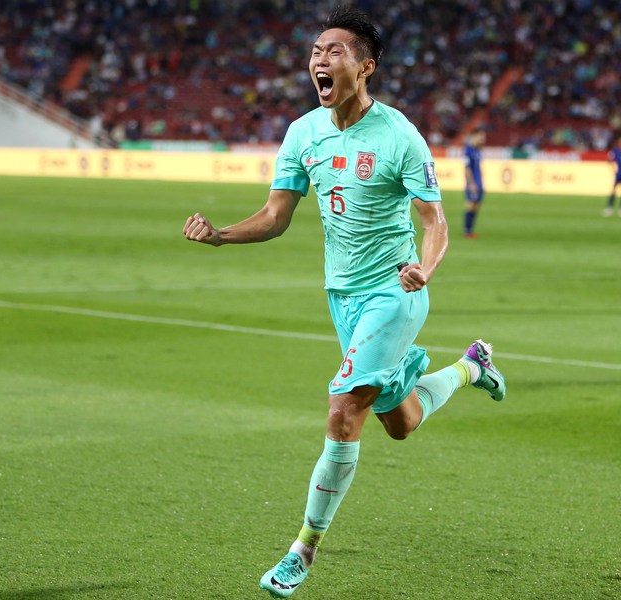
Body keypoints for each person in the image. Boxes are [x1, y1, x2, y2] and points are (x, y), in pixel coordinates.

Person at [182, 7, 506, 598]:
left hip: (396, 291)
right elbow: (276, 216)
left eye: (334, 51)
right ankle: (471, 366)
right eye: (315, 52)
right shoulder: (303, 133)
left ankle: (302, 550)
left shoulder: (400, 136)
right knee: (401, 422)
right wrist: (221, 235)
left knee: (342, 409)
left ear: (366, 66)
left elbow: (435, 222)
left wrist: (424, 269)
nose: (320, 60)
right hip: (344, 298)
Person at [462, 129, 486, 238]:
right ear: (474, 137)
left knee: (476, 207)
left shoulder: (477, 150)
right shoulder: (468, 151)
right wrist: (471, 184)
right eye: (480, 137)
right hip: (472, 184)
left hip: (479, 183)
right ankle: (466, 231)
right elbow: (467, 169)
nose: (482, 139)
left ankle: (470, 230)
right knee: (470, 206)